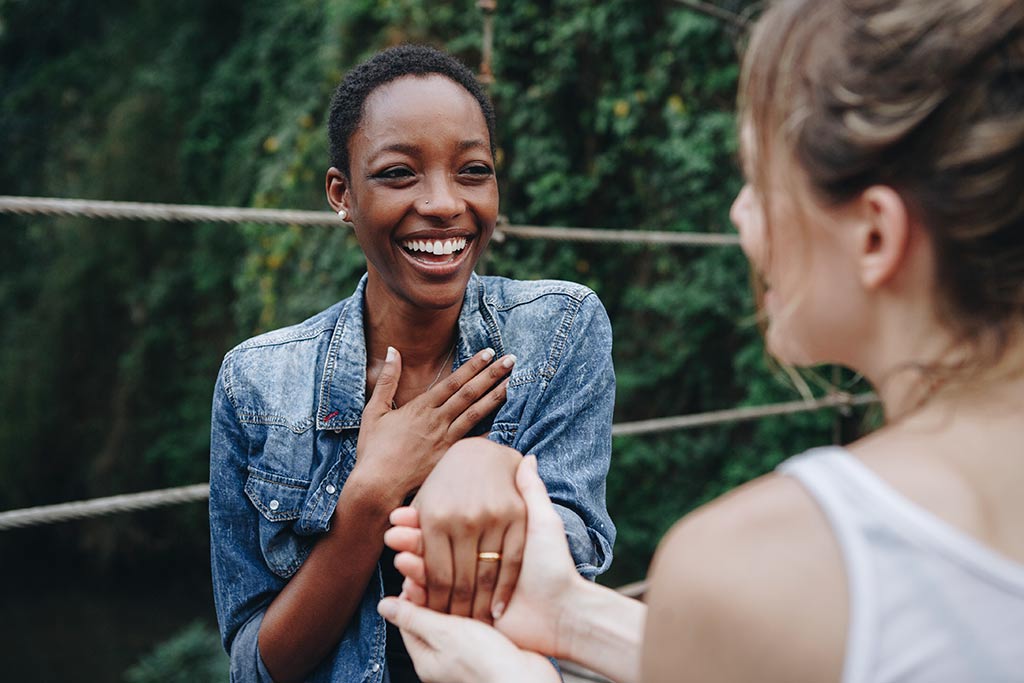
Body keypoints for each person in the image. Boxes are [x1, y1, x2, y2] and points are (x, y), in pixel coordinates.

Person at [379, 0, 1024, 681]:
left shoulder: (748, 566)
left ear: (875, 235)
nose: (738, 214)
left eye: (760, 181)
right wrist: (572, 614)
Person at [208, 45, 616, 683]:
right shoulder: (257, 383)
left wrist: (480, 460)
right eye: (400, 173)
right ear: (342, 194)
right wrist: (369, 499)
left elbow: (568, 566)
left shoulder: (558, 331)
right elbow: (257, 667)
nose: (444, 203)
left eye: (472, 170)